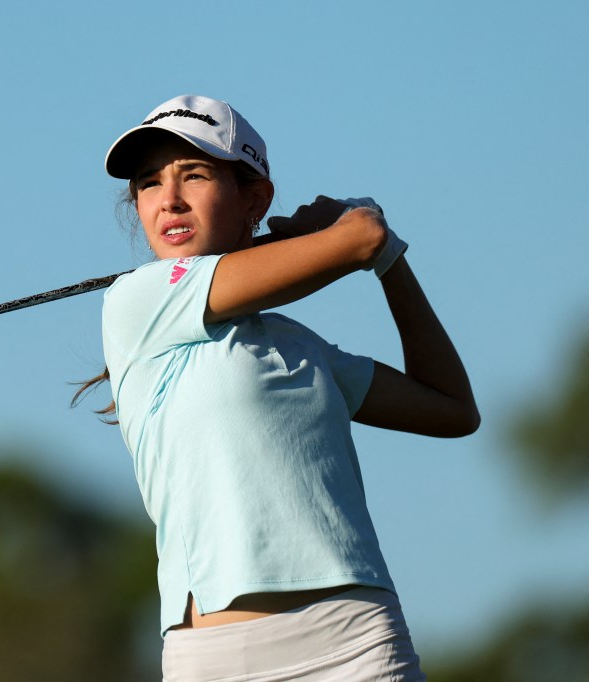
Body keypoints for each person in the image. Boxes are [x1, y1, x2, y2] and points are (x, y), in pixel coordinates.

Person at [74, 95, 480, 681]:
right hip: (214, 658)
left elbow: (452, 409)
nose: (170, 199)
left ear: (255, 198)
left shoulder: (305, 348)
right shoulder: (138, 299)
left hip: (356, 645)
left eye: (195, 174)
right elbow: (355, 237)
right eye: (148, 183)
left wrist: (392, 260)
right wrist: (358, 231)